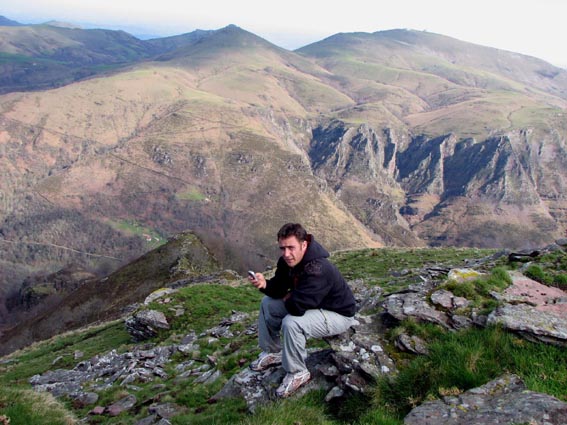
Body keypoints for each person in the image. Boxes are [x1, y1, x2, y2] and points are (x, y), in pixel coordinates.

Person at [248, 223, 358, 398]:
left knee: (292, 323)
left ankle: (298, 372)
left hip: (339, 314)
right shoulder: (287, 262)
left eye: (291, 247)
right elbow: (279, 288)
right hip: (314, 305)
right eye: (282, 248)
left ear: (304, 245)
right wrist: (265, 284)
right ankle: (273, 352)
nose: (286, 254)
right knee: (268, 303)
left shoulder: (318, 269)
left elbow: (297, 307)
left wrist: (289, 297)